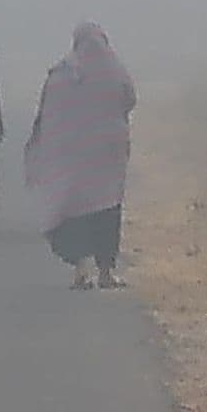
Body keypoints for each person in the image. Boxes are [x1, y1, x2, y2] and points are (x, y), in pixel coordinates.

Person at [25, 22, 137, 290]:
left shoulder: (61, 74)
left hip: (70, 162)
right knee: (107, 210)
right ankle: (107, 273)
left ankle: (81, 270)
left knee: (74, 213)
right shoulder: (115, 70)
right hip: (107, 159)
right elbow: (130, 99)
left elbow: (47, 113)